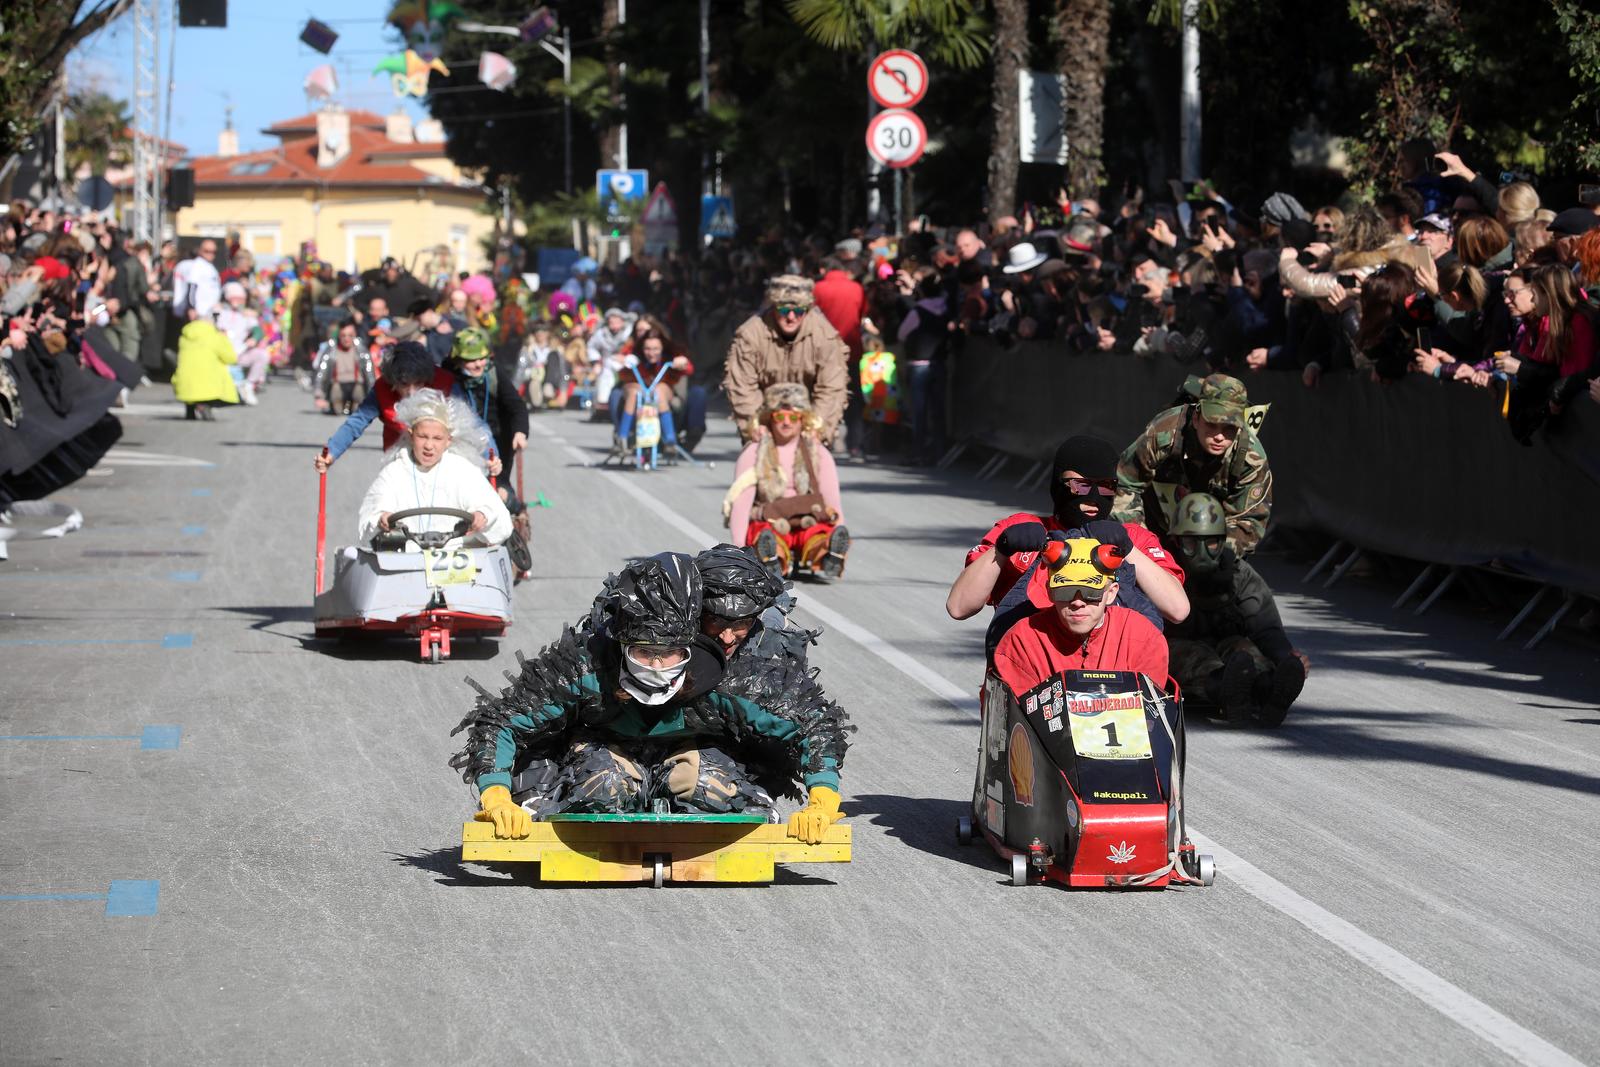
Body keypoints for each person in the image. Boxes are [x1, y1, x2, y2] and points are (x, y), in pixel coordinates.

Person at [450, 552, 850, 842]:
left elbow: (813, 724)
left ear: (691, 647)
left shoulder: (733, 680)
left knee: (709, 786)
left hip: (697, 751)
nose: (657, 665)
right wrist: (497, 793)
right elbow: (501, 720)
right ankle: (550, 796)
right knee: (603, 786)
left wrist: (822, 796)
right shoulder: (584, 668)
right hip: (603, 749)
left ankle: (748, 799)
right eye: (645, 652)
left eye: (670, 654)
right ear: (622, 645)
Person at [947, 435, 1189, 630]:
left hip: (1110, 678)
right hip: (1028, 672)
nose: (1092, 496)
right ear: (1057, 484)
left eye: (1105, 487)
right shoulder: (1022, 529)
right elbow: (959, 607)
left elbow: (1177, 610)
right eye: (1079, 485)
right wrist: (1001, 551)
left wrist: (1129, 550)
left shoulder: (1133, 538)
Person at [1161, 493, 1306, 726]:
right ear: (1176, 541)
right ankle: (1222, 687)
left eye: (1210, 542)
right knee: (1191, 654)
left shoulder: (1238, 573)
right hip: (1177, 646)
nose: (1202, 552)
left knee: (1244, 651)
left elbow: (1265, 625)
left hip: (1226, 647)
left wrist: (1286, 658)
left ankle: (1268, 689)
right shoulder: (1162, 570)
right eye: (1191, 542)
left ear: (1222, 541)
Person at [1113, 373, 1272, 556]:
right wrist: (1141, 543)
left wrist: (1222, 555)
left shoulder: (1251, 457)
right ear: (1196, 419)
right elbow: (1125, 483)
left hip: (1213, 537)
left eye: (1229, 428)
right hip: (1157, 524)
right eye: (1212, 424)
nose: (1219, 436)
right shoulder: (1164, 433)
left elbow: (1250, 517)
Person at [991, 536, 1169, 700]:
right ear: (1050, 592)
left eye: (1090, 593)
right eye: (1066, 591)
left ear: (1111, 593)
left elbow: (1153, 714)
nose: (1077, 602)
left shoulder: (1144, 637)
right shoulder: (1021, 640)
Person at [723, 383, 849, 580]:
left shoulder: (819, 453)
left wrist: (840, 528)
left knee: (820, 533)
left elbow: (832, 500)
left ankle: (828, 554)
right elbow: (741, 503)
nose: (786, 423)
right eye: (780, 416)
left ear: (804, 420)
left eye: (794, 417)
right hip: (771, 520)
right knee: (763, 534)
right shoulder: (754, 452)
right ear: (770, 419)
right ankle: (772, 559)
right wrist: (739, 550)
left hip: (807, 520)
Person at [314, 341, 498, 475]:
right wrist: (331, 452)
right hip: (399, 461)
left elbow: (474, 424)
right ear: (392, 382)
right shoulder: (382, 389)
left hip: (443, 459)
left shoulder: (445, 383)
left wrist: (492, 457)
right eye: (404, 385)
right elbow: (356, 422)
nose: (412, 393)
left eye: (418, 384)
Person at [357, 389, 512, 547]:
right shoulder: (394, 472)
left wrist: (483, 515)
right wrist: (381, 518)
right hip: (406, 560)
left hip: (458, 560)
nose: (429, 446)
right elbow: (370, 516)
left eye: (437, 438)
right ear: (411, 436)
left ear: (448, 441)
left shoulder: (462, 470)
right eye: (422, 437)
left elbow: (500, 519)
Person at [723, 274, 849, 445]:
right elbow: (741, 385)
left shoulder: (825, 337)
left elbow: (831, 388)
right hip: (764, 421)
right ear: (773, 307)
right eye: (784, 310)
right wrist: (755, 425)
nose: (791, 317)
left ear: (808, 309)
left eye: (798, 311)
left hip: (808, 421)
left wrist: (818, 427)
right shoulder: (750, 334)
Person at [694, 543, 807, 665]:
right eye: (715, 620)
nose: (727, 639)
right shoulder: (677, 628)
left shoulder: (771, 632)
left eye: (741, 623)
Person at [447, 326, 527, 475]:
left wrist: (520, 432)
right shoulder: (447, 377)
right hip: (460, 443)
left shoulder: (493, 373)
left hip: (497, 442)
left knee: (502, 493)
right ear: (458, 360)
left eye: (482, 358)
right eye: (471, 360)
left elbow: (516, 405)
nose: (478, 364)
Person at [171, 312, 237, 421]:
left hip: (184, 383)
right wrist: (225, 339)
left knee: (193, 370)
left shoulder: (185, 336)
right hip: (208, 384)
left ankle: (190, 408)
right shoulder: (215, 336)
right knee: (217, 370)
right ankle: (204, 405)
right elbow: (231, 358)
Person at [352, 257, 436, 321]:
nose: (390, 273)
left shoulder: (409, 283)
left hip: (408, 323)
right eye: (387, 271)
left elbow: (432, 294)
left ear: (398, 271)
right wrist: (371, 310)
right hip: (384, 325)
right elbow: (358, 301)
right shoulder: (378, 288)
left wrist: (424, 311)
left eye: (393, 270)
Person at [171, 238, 221, 321]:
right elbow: (192, 287)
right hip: (200, 312)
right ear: (200, 251)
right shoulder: (198, 266)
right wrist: (192, 308)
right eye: (207, 251)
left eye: (213, 252)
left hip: (211, 311)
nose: (210, 254)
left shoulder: (211, 267)